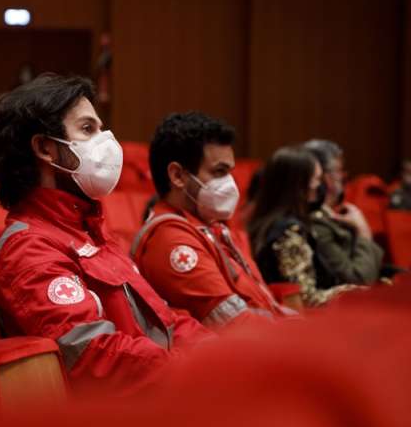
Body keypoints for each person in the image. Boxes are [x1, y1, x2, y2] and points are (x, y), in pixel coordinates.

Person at [0, 74, 213, 395]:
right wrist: (196, 373)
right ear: (45, 148)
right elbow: (94, 355)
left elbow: (169, 323)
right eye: (87, 129)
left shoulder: (93, 233)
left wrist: (221, 357)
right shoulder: (29, 247)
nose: (106, 141)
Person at [131, 113, 293, 329]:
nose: (230, 183)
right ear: (178, 176)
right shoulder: (170, 240)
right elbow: (235, 327)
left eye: (229, 172)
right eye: (219, 171)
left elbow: (263, 303)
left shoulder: (210, 226)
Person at [249, 147, 356, 307]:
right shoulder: (288, 232)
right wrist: (354, 291)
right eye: (317, 179)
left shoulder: (268, 222)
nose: (320, 186)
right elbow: (306, 301)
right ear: (299, 185)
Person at [303, 139, 382, 285]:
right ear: (325, 177)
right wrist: (363, 232)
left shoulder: (332, 214)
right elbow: (358, 280)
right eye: (339, 170)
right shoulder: (316, 223)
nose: (344, 176)